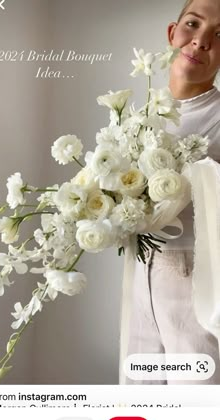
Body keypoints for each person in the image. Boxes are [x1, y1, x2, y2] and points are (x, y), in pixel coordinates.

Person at [120, 0, 220, 385]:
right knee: (140, 394)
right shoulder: (139, 116)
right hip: (138, 275)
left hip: (195, 281)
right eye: (192, 25)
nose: (201, 41)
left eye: (219, 35)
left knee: (198, 398)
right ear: (171, 33)